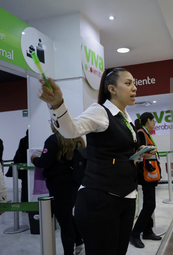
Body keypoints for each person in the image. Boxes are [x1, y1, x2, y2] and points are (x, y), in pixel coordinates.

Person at [37, 68, 156, 255]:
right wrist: (57, 104)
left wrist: (138, 152)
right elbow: (71, 130)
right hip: (101, 201)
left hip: (127, 198)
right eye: (128, 83)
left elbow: (118, 150)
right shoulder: (100, 111)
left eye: (134, 83)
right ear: (112, 89)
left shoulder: (125, 117)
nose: (134, 88)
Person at [31, 122, 85, 255]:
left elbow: (44, 162)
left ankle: (69, 252)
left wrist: (34, 159)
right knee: (67, 214)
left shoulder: (53, 139)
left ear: (55, 124)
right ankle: (79, 242)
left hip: (59, 185)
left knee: (64, 220)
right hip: (74, 182)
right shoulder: (78, 138)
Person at [130, 112, 162, 248]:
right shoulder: (141, 133)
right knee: (150, 205)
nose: (154, 123)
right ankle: (135, 234)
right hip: (145, 173)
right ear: (147, 120)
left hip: (149, 172)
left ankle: (147, 231)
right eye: (153, 120)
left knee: (149, 204)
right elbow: (140, 153)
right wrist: (150, 153)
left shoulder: (144, 132)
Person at [6, 130, 29, 202]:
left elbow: (19, 154)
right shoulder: (33, 140)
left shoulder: (23, 140)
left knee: (24, 186)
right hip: (30, 166)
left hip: (23, 168)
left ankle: (24, 202)